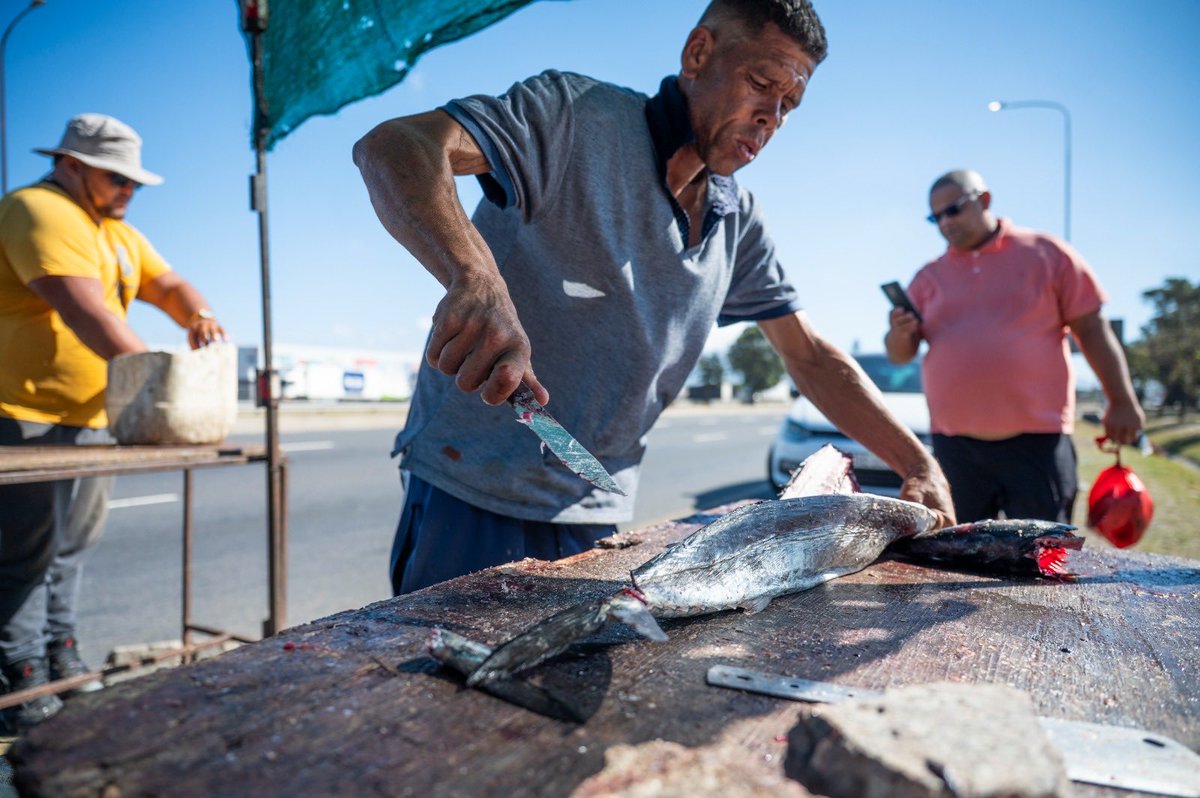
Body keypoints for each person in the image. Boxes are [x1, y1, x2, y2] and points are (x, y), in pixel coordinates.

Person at [353, 0, 954, 596]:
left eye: (789, 105)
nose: (771, 116)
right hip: (474, 488)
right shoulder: (574, 116)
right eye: (761, 84)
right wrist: (475, 277)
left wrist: (916, 463)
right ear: (698, 54)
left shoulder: (736, 216)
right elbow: (399, 145)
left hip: (595, 506)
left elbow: (811, 358)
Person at [0, 113, 226, 727]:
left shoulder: (118, 232)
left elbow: (169, 283)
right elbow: (83, 311)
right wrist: (158, 388)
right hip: (23, 414)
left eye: (135, 183)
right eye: (115, 178)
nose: (128, 191)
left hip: (91, 415)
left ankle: (60, 659)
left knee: (71, 547)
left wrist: (197, 314)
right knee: (24, 553)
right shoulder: (37, 210)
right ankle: (18, 682)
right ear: (70, 165)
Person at [885, 168, 1144, 524]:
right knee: (954, 559)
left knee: (1043, 557)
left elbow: (1092, 329)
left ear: (985, 200)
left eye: (954, 210)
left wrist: (1122, 399)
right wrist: (900, 332)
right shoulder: (929, 276)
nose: (945, 222)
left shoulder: (1047, 253)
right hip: (955, 448)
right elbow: (900, 354)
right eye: (936, 216)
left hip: (1037, 444)